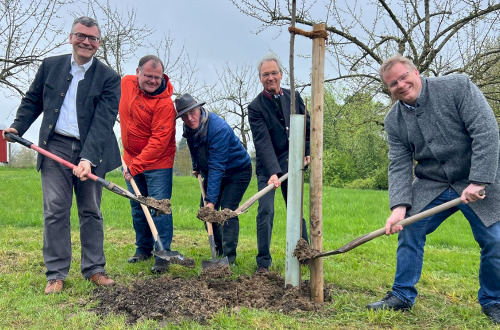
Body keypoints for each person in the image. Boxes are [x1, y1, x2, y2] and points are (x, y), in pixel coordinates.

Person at [366, 54, 500, 324]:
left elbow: (486, 131)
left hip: (477, 179)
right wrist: (399, 207)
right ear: (389, 90)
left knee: (495, 240)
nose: (401, 85)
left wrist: (479, 180)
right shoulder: (394, 120)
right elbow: (399, 164)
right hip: (433, 182)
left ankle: (493, 300)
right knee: (409, 228)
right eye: (393, 84)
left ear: (416, 72)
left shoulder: (457, 86)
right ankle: (402, 295)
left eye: (404, 77)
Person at [2, 17, 121, 294]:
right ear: (71, 38)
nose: (86, 42)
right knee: (55, 210)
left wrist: (87, 158)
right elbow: (33, 99)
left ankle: (94, 268)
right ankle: (56, 273)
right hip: (54, 146)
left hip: (93, 150)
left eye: (92, 38)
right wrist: (18, 126)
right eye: (81, 36)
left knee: (91, 210)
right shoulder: (51, 66)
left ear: (98, 43)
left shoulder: (109, 78)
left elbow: (104, 121)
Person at [248, 53, 310, 272]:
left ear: (281, 75)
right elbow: (262, 142)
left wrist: (307, 151)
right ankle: (263, 263)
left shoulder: (294, 98)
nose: (270, 77)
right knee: (265, 211)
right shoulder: (255, 107)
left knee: (295, 210)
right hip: (268, 169)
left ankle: (306, 253)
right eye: (265, 74)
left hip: (292, 164)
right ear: (260, 78)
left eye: (274, 73)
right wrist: (274, 172)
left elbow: (307, 127)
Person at [175, 93, 251, 265]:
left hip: (237, 171)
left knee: (227, 211)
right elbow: (193, 147)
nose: (190, 118)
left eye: (192, 112)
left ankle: (228, 258)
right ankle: (217, 250)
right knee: (205, 211)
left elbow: (218, 167)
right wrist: (196, 167)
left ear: (199, 109)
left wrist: (210, 201)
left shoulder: (218, 129)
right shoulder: (189, 128)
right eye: (184, 116)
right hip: (213, 170)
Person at [120, 55, 176, 273]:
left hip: (157, 163)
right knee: (137, 206)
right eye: (148, 76)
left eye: (157, 77)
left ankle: (162, 254)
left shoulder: (164, 104)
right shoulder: (125, 84)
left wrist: (135, 166)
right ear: (138, 73)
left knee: (158, 207)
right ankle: (142, 249)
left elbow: (159, 142)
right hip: (130, 158)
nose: (153, 81)